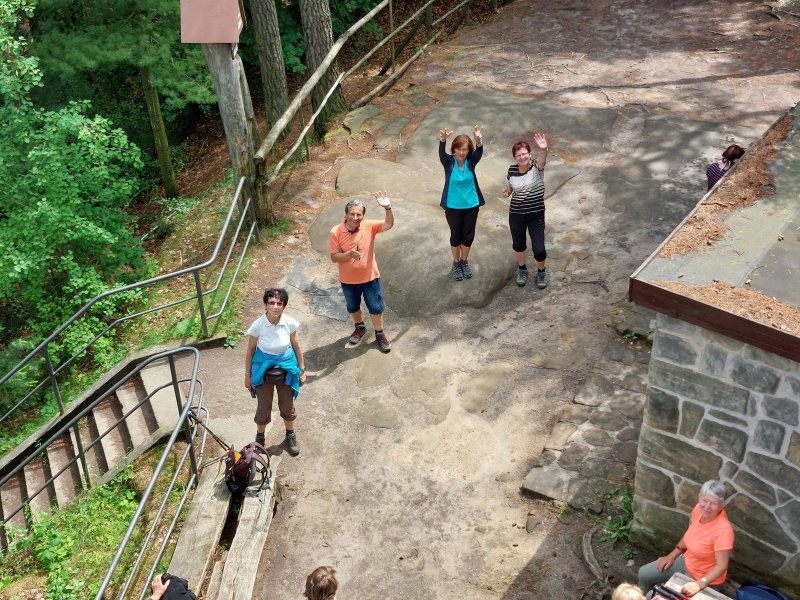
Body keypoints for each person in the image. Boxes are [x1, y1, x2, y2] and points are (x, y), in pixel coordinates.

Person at [638, 480, 734, 598]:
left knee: (650, 596)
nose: (707, 506)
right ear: (699, 498)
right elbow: (690, 534)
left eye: (713, 503)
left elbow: (721, 566)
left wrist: (700, 583)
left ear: (722, 505)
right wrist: (672, 555)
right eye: (705, 500)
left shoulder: (723, 530)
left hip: (703, 578)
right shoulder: (698, 509)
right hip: (686, 562)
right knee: (644, 573)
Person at [329, 192, 394, 353]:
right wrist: (348, 255)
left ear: (363, 216)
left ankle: (379, 333)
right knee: (353, 306)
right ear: (346, 214)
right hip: (348, 280)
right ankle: (360, 327)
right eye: (352, 214)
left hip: (370, 278)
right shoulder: (335, 232)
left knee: (376, 307)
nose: (355, 217)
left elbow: (389, 224)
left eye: (359, 214)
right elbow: (334, 257)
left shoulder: (369, 226)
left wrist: (387, 208)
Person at [244, 287, 306, 457]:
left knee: (287, 404)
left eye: (280, 303)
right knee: (263, 406)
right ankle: (260, 437)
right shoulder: (258, 325)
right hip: (263, 366)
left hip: (286, 365)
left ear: (284, 305)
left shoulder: (290, 323)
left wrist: (301, 369)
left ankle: (290, 435)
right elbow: (250, 350)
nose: (275, 306)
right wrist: (248, 375)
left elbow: (296, 345)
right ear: (266, 304)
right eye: (272, 302)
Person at [502, 132, 549, 289]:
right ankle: (522, 269)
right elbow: (509, 188)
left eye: (524, 154)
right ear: (515, 157)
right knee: (519, 244)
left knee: (539, 249)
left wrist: (544, 149)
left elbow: (542, 159)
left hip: (536, 215)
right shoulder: (511, 170)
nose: (521, 157)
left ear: (530, 154)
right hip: (516, 215)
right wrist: (507, 192)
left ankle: (541, 272)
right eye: (518, 155)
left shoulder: (537, 167)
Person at [438, 125, 485, 281]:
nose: (461, 152)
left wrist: (478, 140)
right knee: (456, 235)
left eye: (464, 149)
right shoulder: (448, 162)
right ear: (454, 149)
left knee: (468, 235)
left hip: (471, 205)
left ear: (468, 150)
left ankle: (464, 261)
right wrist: (443, 140)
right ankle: (456, 263)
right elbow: (441, 152)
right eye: (458, 149)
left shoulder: (471, 161)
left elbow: (479, 151)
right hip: (453, 207)